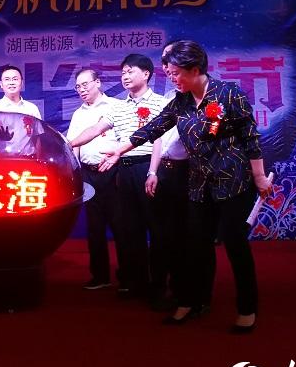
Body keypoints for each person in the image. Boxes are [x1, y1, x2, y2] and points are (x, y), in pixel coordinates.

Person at [99, 40, 272, 333]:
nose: (172, 79)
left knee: (235, 244)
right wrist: (120, 149)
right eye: (169, 74)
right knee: (195, 245)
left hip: (234, 180)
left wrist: (259, 177)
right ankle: (191, 301)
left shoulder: (229, 93)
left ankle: (247, 307)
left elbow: (250, 138)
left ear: (194, 70)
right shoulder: (180, 102)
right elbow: (153, 128)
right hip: (199, 182)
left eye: (176, 73)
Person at [69, 54, 167, 300]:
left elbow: (160, 140)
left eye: (130, 71)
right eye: (123, 72)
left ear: (146, 74)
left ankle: (159, 286)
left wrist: (153, 171)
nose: (125, 76)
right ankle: (137, 283)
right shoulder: (118, 107)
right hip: (123, 170)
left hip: (148, 167)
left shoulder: (161, 103)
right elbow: (95, 130)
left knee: (157, 229)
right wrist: (69, 144)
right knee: (131, 229)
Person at [144, 42, 191, 310]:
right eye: (165, 63)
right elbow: (158, 138)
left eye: (172, 63)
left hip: (189, 174)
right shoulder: (171, 101)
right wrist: (153, 171)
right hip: (164, 172)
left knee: (182, 236)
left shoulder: (205, 100)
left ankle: (184, 292)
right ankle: (158, 287)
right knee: (160, 235)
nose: (168, 69)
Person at [66, 68, 121, 290]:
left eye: (85, 84)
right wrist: (75, 172)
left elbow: (127, 139)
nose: (82, 89)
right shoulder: (78, 114)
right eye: (78, 86)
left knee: (121, 226)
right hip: (88, 174)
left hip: (113, 171)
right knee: (94, 228)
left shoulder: (116, 106)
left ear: (98, 82)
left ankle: (127, 277)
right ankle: (100, 276)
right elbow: (73, 145)